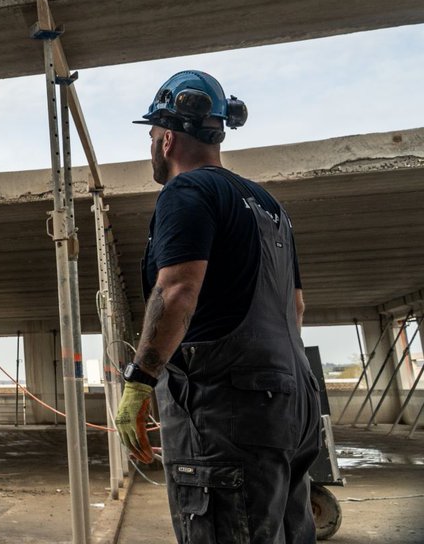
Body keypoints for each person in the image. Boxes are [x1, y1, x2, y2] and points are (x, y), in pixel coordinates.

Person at [114, 70, 320, 543]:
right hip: (292, 403)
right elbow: (297, 306)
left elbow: (177, 291)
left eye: (151, 136)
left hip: (227, 412)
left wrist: (140, 381)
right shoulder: (269, 205)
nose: (151, 145)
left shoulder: (187, 192)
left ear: (167, 139)